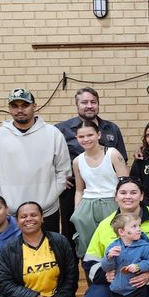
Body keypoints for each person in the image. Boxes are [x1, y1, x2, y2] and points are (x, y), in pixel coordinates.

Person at [0, 88, 71, 232]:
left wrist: (49, 198)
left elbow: (63, 171)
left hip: (46, 212)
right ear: (9, 108)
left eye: (25, 105)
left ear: (34, 106)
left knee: (48, 253)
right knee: (13, 255)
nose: (19, 110)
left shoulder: (53, 134)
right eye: (14, 106)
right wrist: (1, 204)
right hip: (10, 215)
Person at [57, 87, 128, 243]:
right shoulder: (61, 130)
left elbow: (123, 161)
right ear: (77, 105)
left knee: (114, 235)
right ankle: (75, 267)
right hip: (75, 191)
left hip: (109, 193)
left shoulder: (112, 128)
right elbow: (48, 158)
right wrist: (59, 176)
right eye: (84, 102)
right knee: (75, 233)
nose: (89, 105)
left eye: (93, 102)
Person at [70, 120, 129, 259]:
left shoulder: (112, 153)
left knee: (115, 244)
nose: (86, 139)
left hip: (112, 202)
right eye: (81, 137)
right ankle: (93, 276)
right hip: (87, 205)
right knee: (89, 248)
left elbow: (125, 183)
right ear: (76, 138)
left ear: (99, 134)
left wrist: (126, 209)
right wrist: (77, 211)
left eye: (90, 135)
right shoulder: (77, 161)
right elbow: (79, 190)